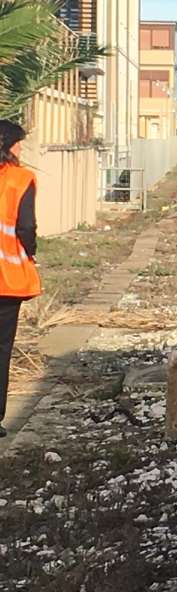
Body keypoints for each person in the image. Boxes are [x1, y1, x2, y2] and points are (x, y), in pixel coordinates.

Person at [0, 120, 41, 439]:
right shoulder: (21, 179)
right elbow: (25, 227)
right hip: (6, 280)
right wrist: (31, 252)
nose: (21, 149)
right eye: (19, 143)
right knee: (1, 347)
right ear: (8, 146)